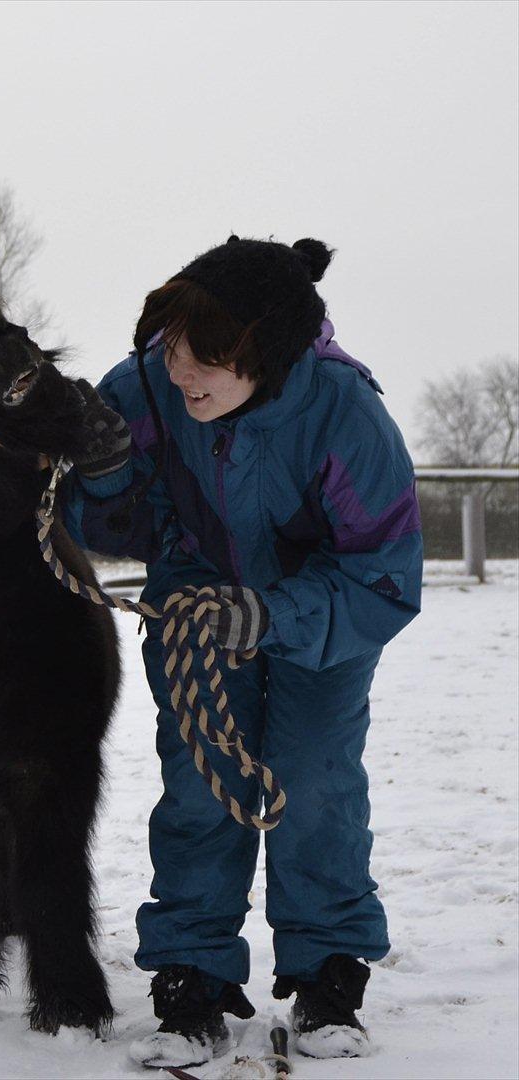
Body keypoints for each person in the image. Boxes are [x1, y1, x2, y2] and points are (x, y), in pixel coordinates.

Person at [62, 236, 423, 1068]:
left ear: (262, 356)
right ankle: (190, 975)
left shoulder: (345, 414)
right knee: (200, 782)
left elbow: (383, 577)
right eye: (176, 347)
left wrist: (268, 613)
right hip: (194, 602)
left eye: (205, 361)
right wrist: (106, 473)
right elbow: (104, 523)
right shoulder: (148, 385)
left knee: (314, 778)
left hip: (319, 613)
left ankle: (328, 973)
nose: (182, 370)